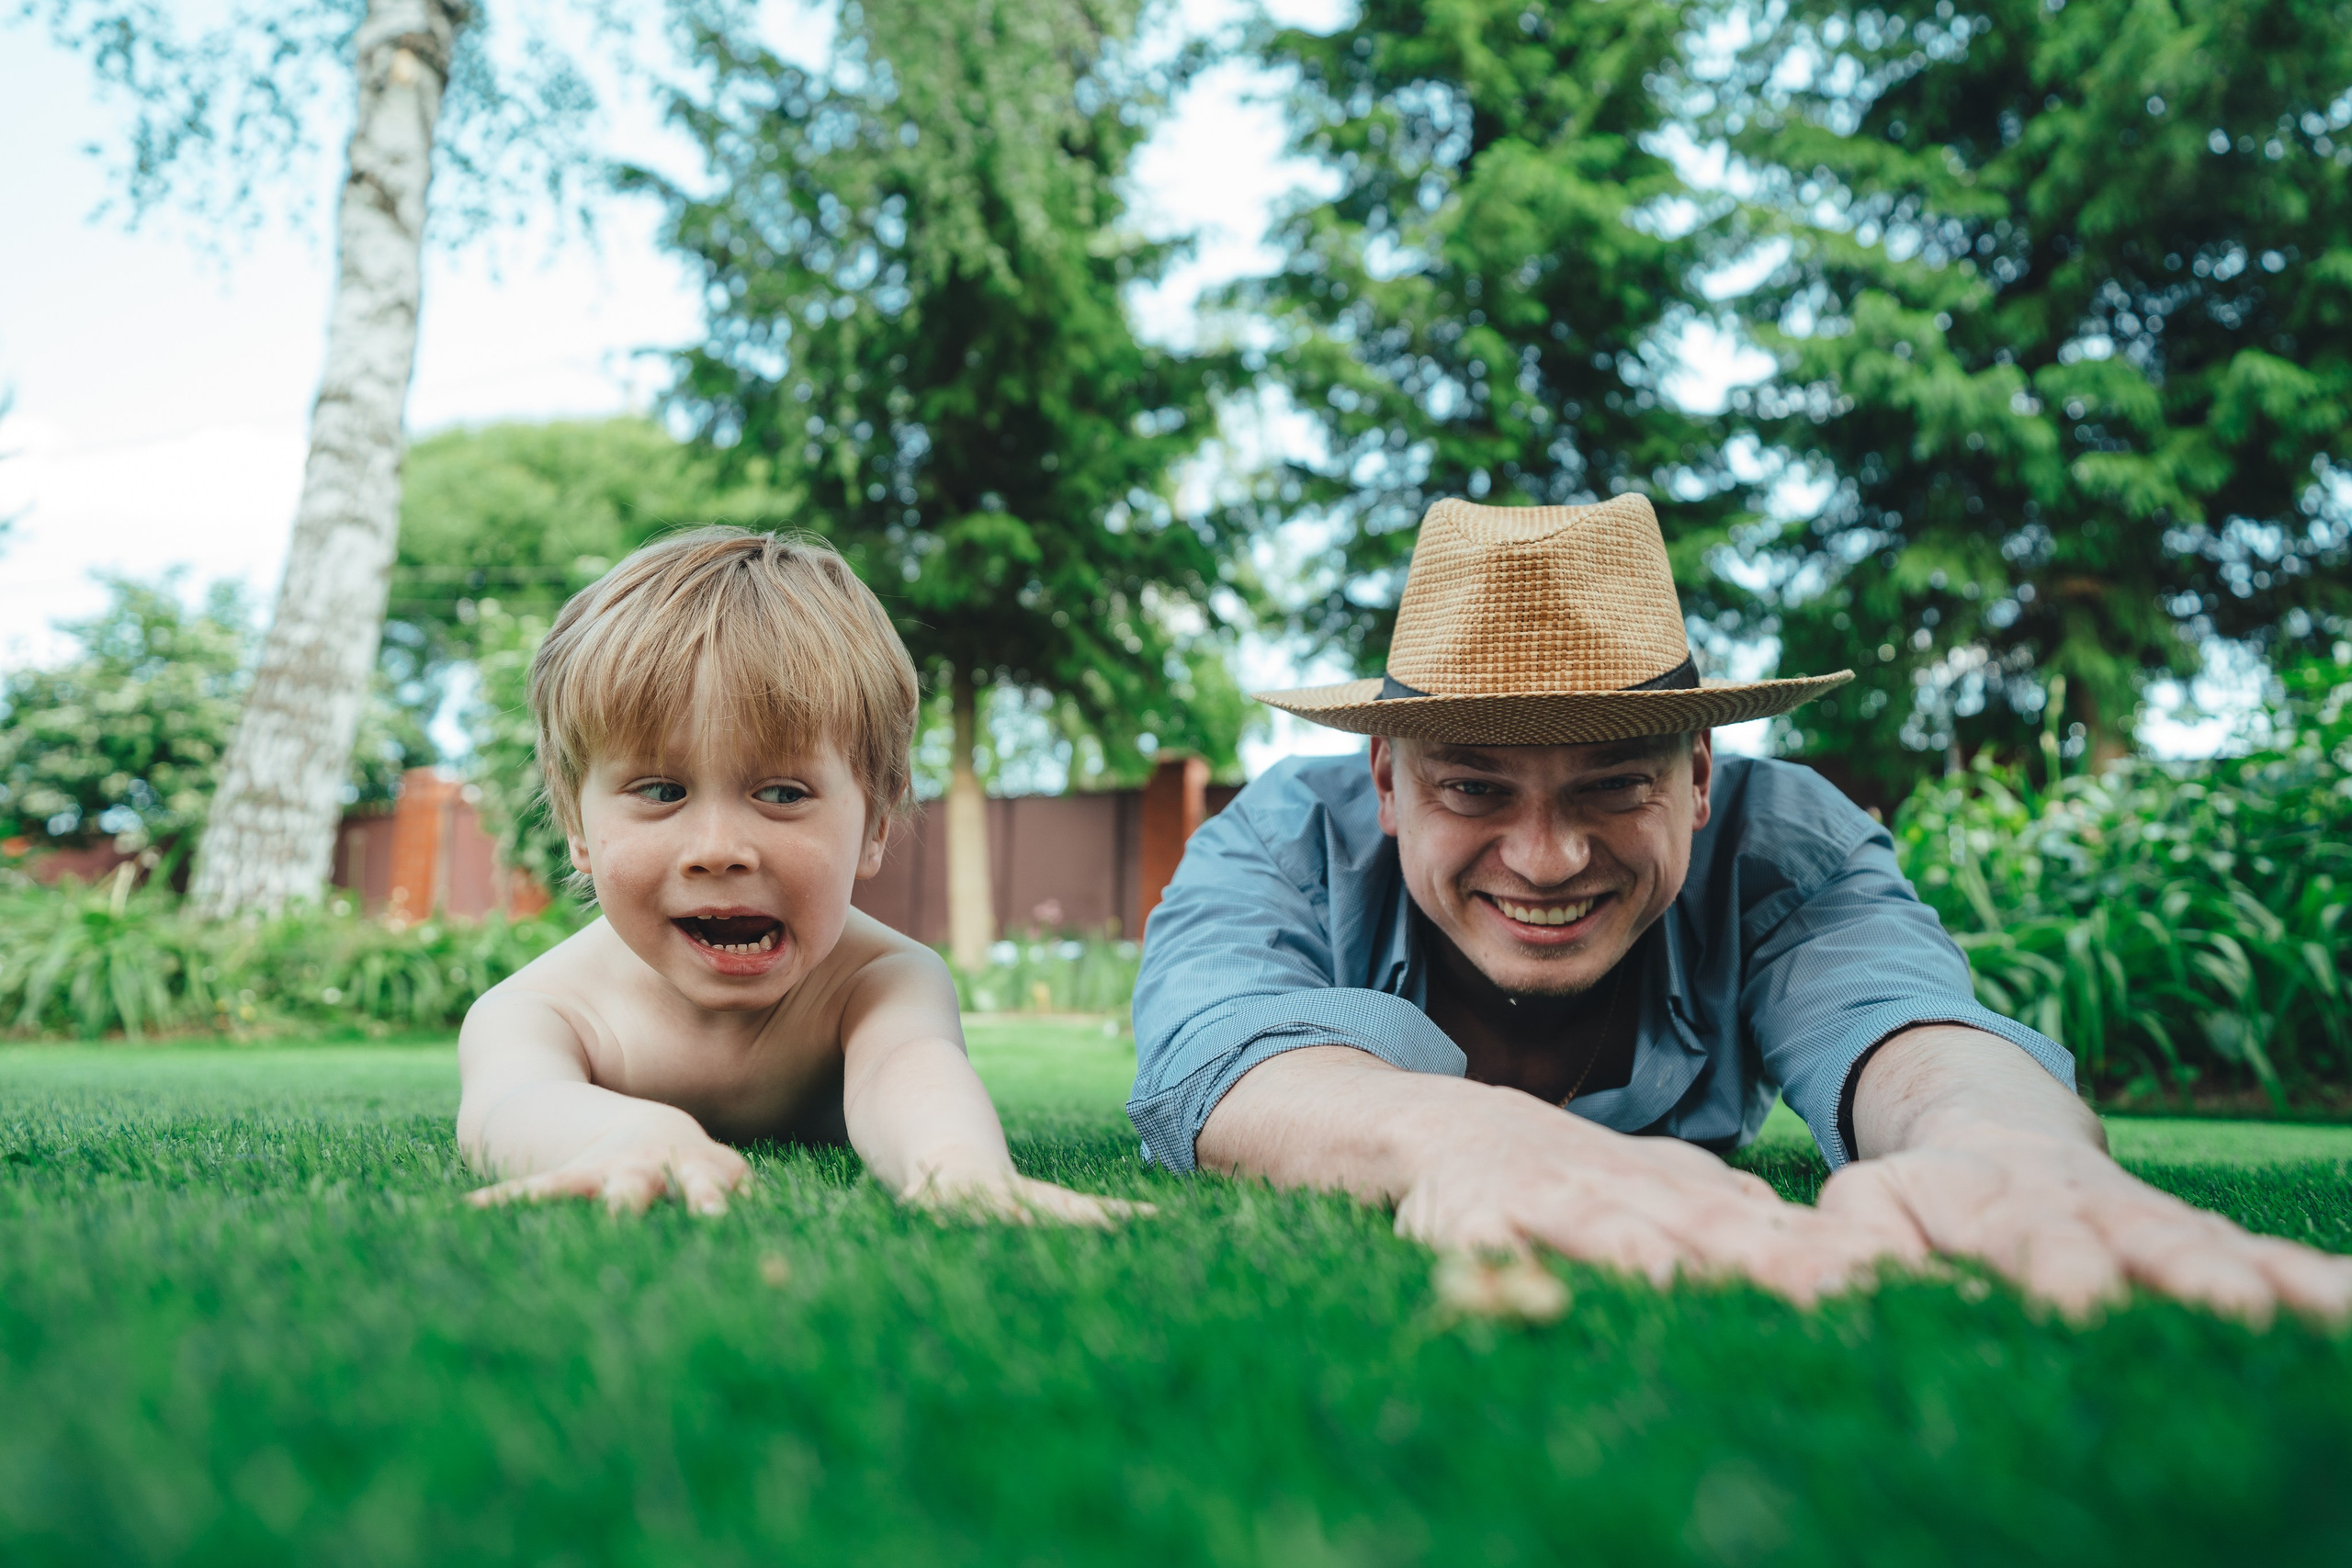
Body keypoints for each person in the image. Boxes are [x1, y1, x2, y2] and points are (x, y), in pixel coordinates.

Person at [1130, 495, 2352, 1323]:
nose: (1547, 859)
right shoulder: (1278, 837)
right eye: (1472, 787)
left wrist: (2006, 1145)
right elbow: (1211, 1046)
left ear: (1701, 777)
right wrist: (1453, 1136)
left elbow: (1903, 1023)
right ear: (1387, 782)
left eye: (1615, 783)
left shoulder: (1788, 842)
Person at [458, 527, 1140, 1226]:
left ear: (876, 823)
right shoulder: (542, 1007)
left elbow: (906, 1067)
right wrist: (629, 1135)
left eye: (782, 793)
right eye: (661, 791)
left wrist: (955, 1165)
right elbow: (508, 1105)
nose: (718, 850)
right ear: (577, 824)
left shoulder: (880, 979)